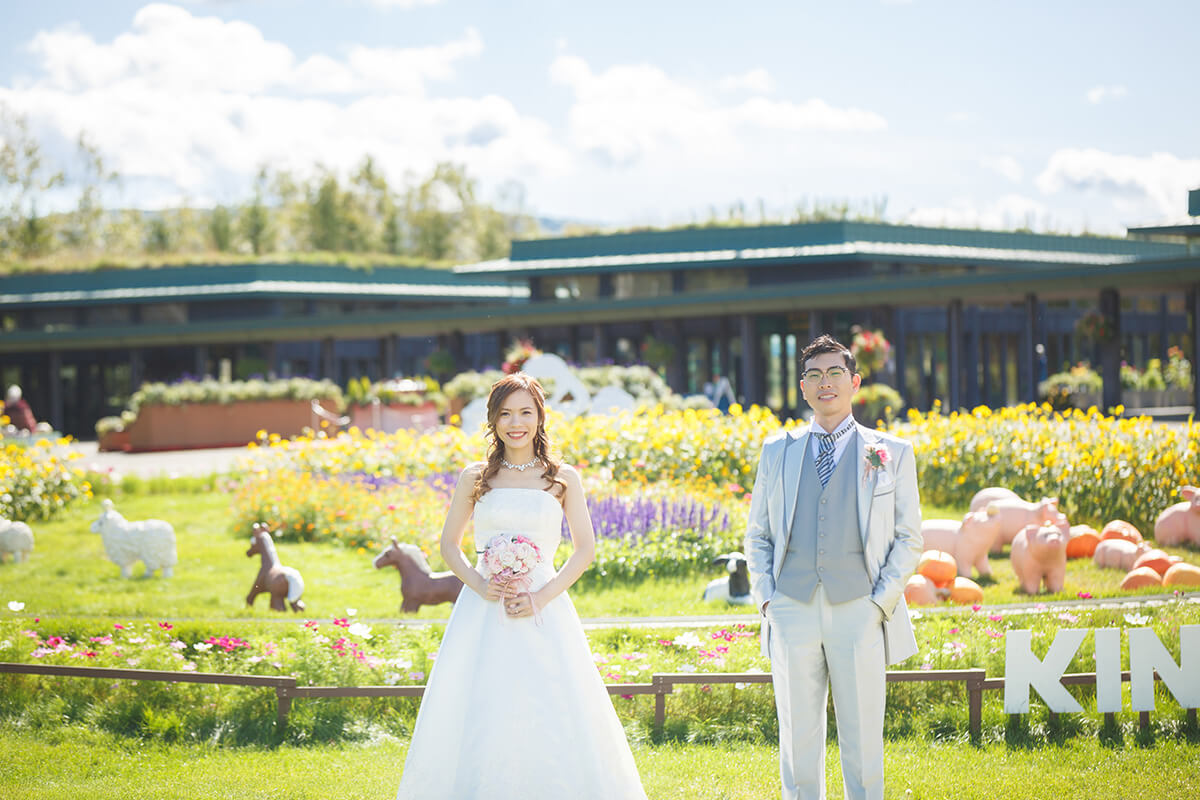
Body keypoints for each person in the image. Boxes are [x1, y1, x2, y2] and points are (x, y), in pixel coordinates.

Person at [395, 373, 647, 800]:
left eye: (526, 413)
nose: (516, 423)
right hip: (483, 612)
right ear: (492, 420)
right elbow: (448, 546)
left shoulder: (562, 477)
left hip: (544, 609)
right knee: (481, 705)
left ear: (540, 418)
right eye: (506, 413)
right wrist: (479, 584)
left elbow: (584, 549)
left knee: (551, 704)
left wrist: (541, 598)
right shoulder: (474, 477)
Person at [744, 334, 922, 800]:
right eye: (815, 375)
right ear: (802, 388)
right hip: (791, 607)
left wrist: (879, 603)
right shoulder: (776, 451)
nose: (826, 383)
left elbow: (909, 538)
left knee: (863, 735)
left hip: (859, 608)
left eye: (835, 373)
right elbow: (758, 534)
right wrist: (768, 600)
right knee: (798, 737)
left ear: (855, 382)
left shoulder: (892, 452)